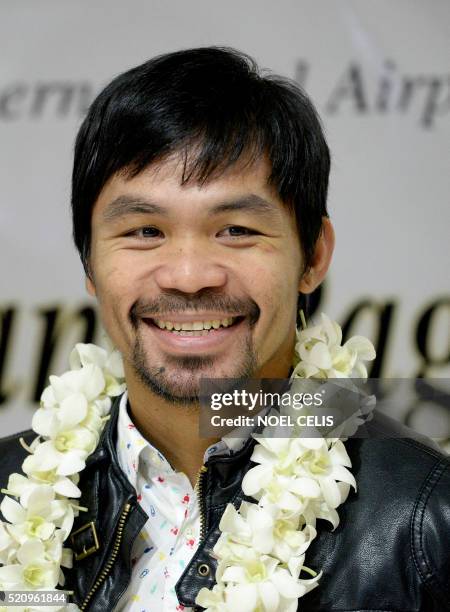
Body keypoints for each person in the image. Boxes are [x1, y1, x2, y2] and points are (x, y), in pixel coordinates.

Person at [0, 47, 449, 612]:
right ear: (90, 263)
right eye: (143, 231)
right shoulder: (7, 496)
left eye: (235, 229)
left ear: (313, 255)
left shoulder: (424, 519)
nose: (188, 277)